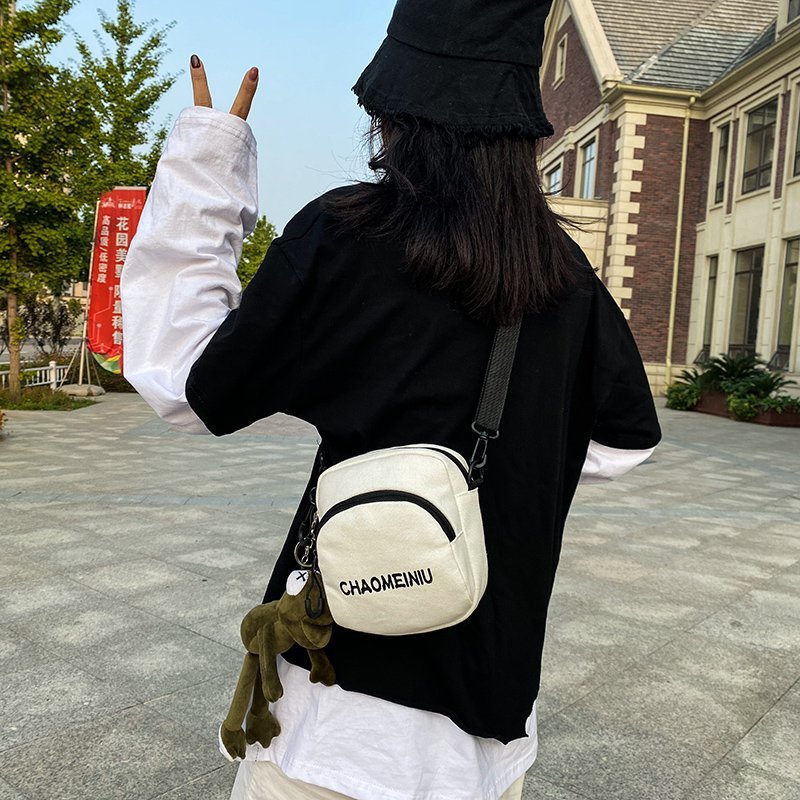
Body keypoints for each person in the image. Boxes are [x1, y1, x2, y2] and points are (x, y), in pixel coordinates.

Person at [121, 1, 662, 798]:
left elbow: (186, 381)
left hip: (332, 718)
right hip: (485, 728)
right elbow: (624, 439)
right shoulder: (566, 278)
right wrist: (499, 469)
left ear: (395, 110)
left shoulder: (347, 238)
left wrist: (207, 164)